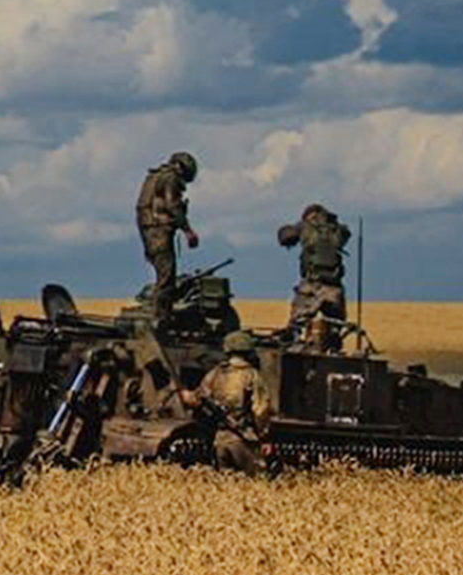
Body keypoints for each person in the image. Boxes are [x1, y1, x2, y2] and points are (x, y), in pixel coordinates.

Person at [186, 331, 269, 473]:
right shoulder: (252, 375)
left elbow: (196, 399)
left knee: (227, 480)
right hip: (243, 439)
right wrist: (264, 436)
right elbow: (260, 409)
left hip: (219, 440)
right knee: (260, 478)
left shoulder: (215, 373)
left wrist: (185, 394)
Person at [276, 203, 351, 347]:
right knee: (335, 328)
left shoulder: (305, 226)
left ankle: (292, 348)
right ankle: (332, 348)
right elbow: (345, 234)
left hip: (312, 284)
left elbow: (285, 237)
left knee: (296, 325)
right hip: (334, 287)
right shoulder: (337, 229)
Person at [136, 152, 201, 297]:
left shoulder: (154, 177)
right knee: (167, 279)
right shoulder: (170, 178)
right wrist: (188, 231)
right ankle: (161, 317)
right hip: (159, 230)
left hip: (148, 229)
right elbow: (173, 205)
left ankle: (159, 312)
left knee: (163, 275)